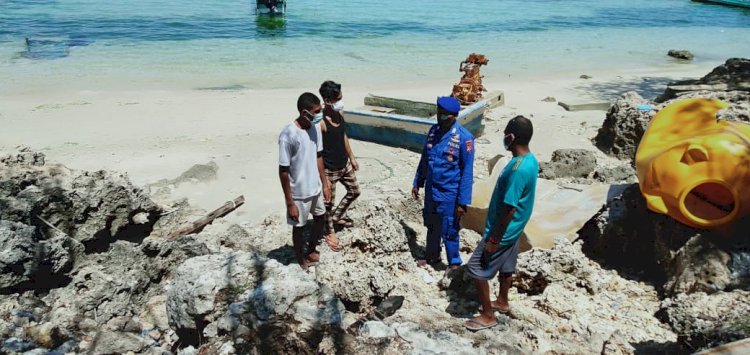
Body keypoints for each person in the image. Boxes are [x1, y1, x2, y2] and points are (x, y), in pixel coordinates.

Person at [464, 115, 538, 331]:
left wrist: (493, 239)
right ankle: (503, 301)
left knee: (476, 269)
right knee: (507, 267)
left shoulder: (518, 170)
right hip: (515, 229)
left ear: (511, 137)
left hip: (503, 230)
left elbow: (509, 207)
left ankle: (488, 315)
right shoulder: (530, 160)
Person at [412, 96, 474, 271]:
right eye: (439, 113)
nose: (439, 117)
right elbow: (425, 158)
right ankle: (432, 256)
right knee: (431, 224)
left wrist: (463, 201)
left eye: (443, 115)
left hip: (450, 193)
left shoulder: (464, 138)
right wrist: (418, 181)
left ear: (453, 116)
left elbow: (467, 172)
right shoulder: (433, 131)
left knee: (450, 229)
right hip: (432, 190)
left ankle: (454, 263)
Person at [278, 92, 334, 269]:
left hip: (315, 188)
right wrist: (290, 202)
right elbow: (283, 170)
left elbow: (318, 156)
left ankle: (311, 249)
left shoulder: (315, 128)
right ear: (304, 112)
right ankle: (300, 259)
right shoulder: (288, 135)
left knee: (320, 218)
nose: (319, 115)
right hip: (299, 193)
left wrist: (325, 184)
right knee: (299, 228)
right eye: (316, 111)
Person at [318, 81, 359, 249]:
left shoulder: (340, 113)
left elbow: (344, 136)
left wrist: (352, 157)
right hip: (329, 169)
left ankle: (336, 217)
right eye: (338, 99)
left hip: (344, 164)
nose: (341, 101)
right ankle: (329, 231)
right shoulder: (320, 124)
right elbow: (317, 153)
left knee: (355, 191)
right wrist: (323, 180)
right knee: (328, 204)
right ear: (328, 100)